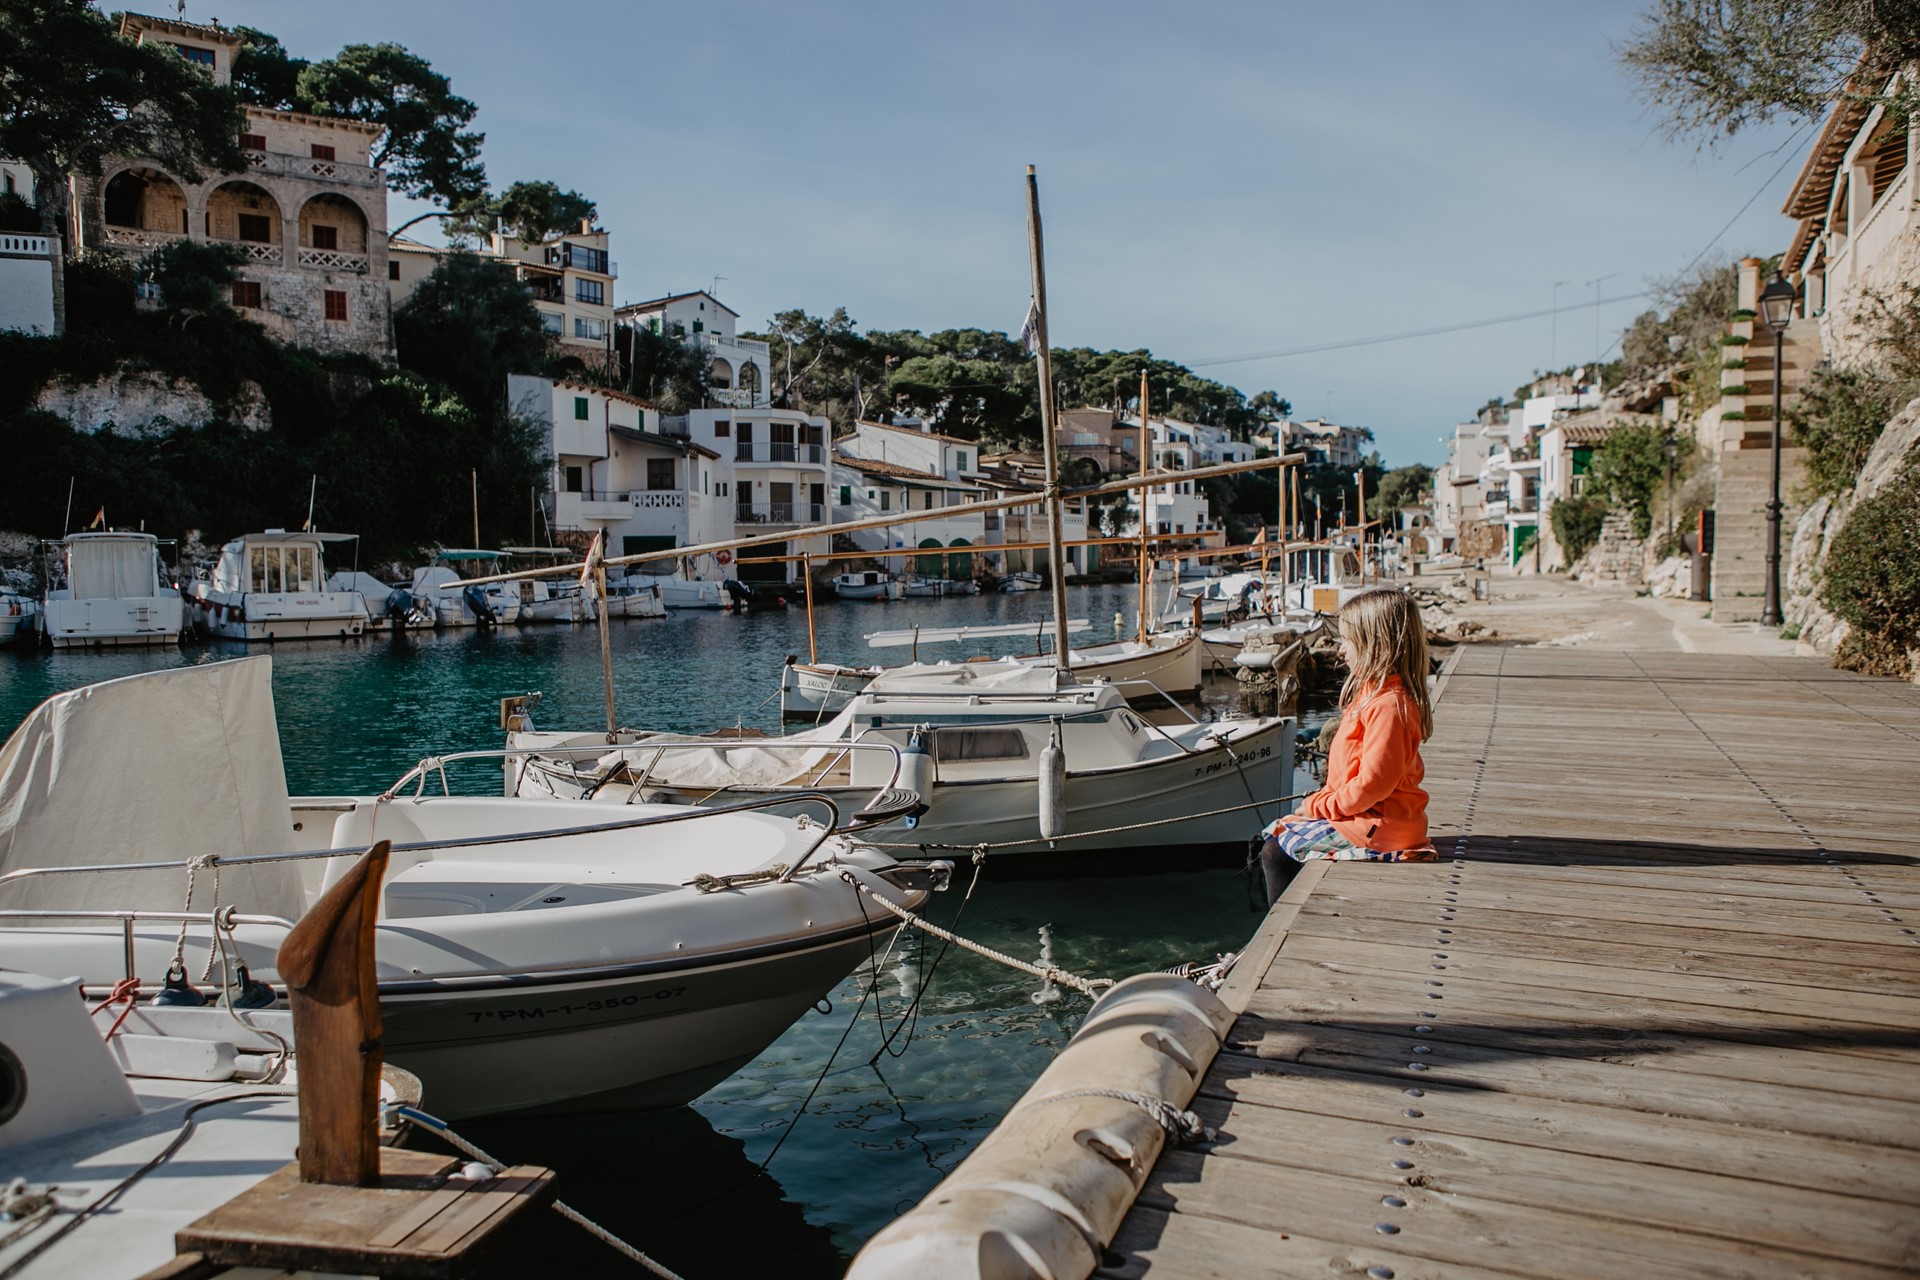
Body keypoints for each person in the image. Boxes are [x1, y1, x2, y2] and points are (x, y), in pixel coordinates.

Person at [1258, 588, 1436, 904]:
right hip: (1370, 819)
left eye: (1347, 642)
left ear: (1376, 646)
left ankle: (1280, 929)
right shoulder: (1373, 696)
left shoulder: (1389, 707)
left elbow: (1371, 786)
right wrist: (1320, 802)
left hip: (1380, 828)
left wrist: (1316, 806)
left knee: (1275, 850)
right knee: (1281, 829)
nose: (1340, 651)